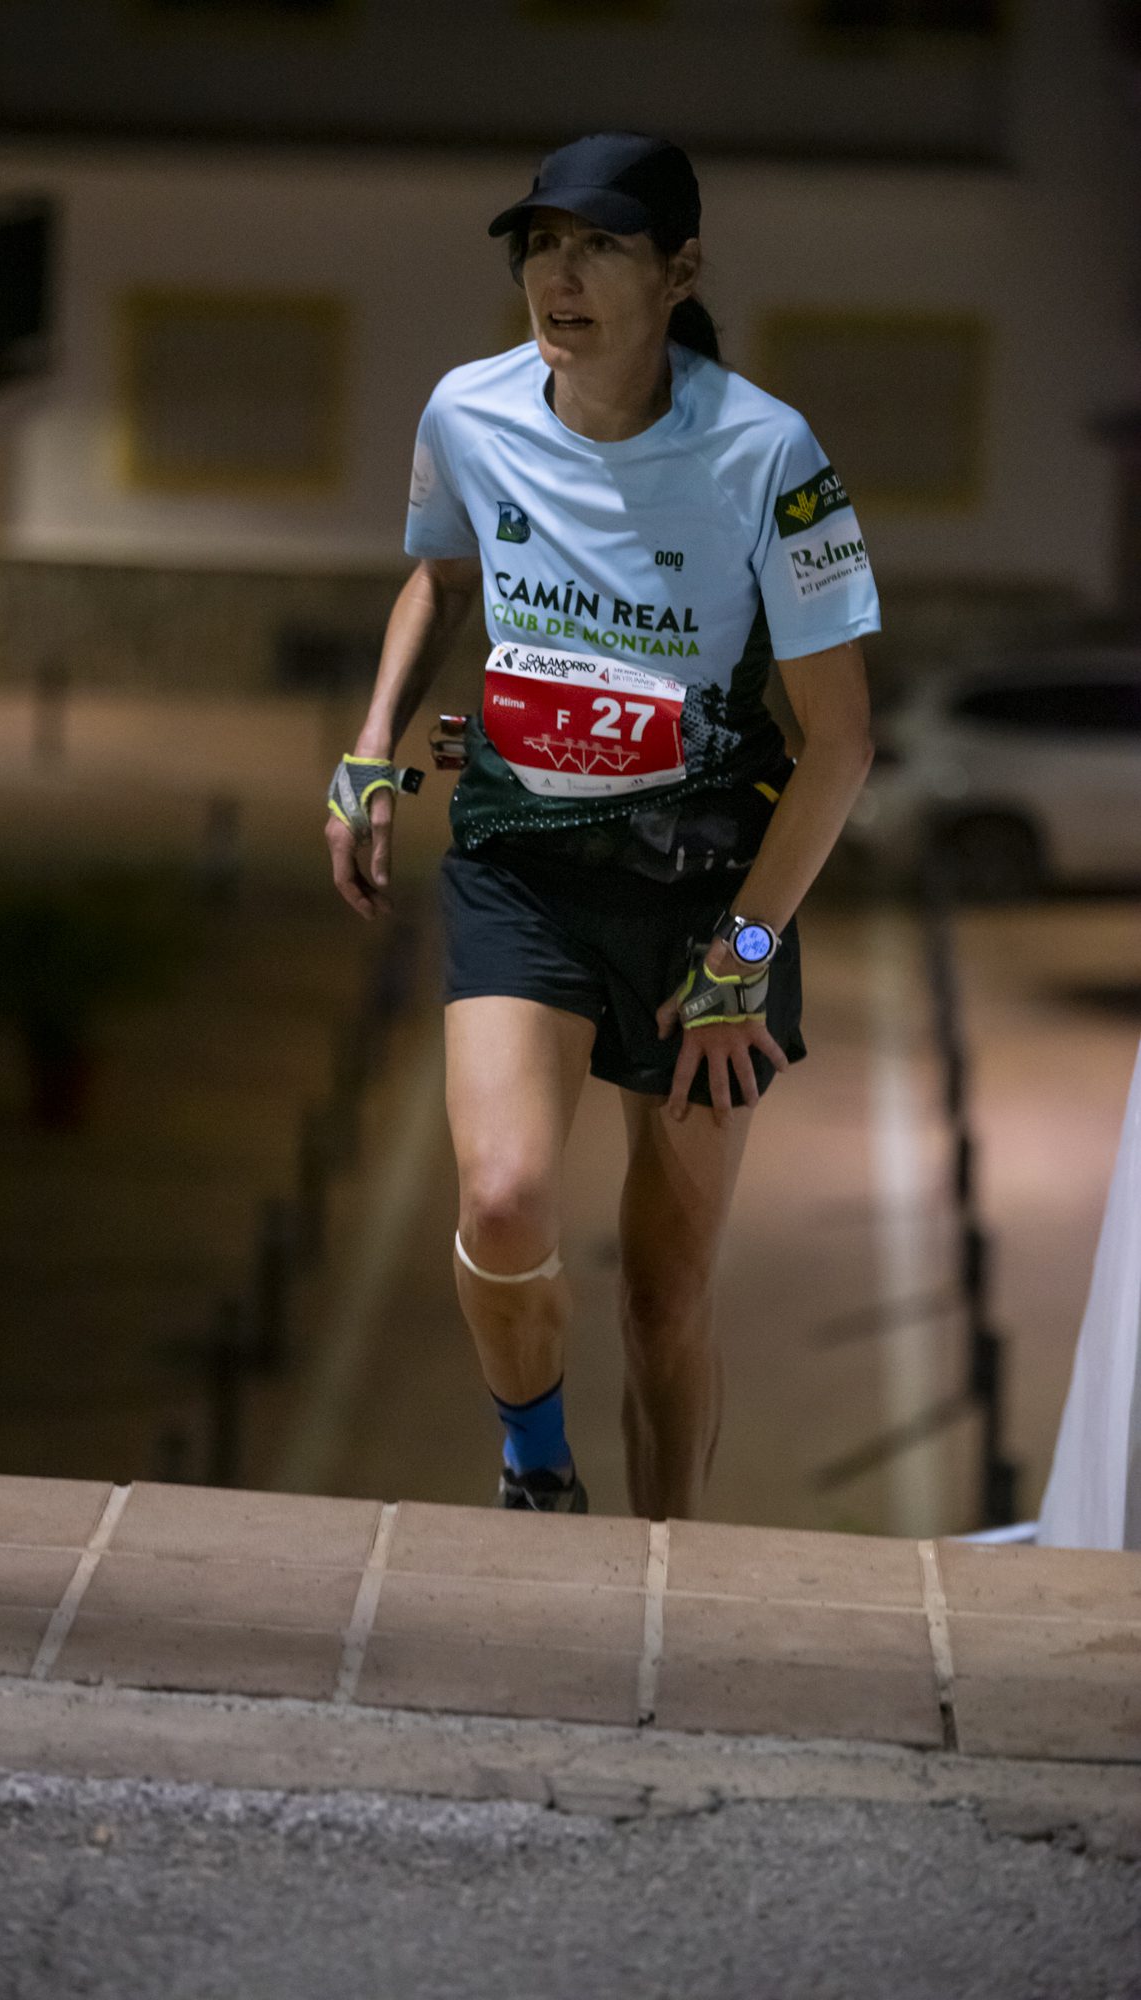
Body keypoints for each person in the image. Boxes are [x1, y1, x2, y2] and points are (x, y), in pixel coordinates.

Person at [325, 132, 879, 1520]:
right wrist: (371, 743)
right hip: (523, 864)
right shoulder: (467, 411)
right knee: (505, 1197)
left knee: (665, 1297)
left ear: (679, 271)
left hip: (710, 896)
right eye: (540, 245)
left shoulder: (769, 451)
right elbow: (440, 578)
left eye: (600, 247)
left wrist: (744, 954)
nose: (558, 277)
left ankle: (665, 1571)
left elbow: (843, 742)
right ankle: (535, 1466)